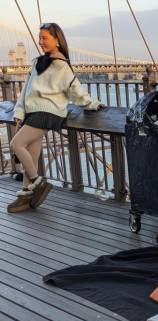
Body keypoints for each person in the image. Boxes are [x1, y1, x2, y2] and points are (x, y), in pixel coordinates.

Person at [8, 23, 104, 213]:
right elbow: (25, 91)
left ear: (57, 40)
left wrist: (93, 104)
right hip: (32, 113)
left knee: (16, 144)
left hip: (48, 113)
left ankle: (38, 183)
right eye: (40, 37)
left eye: (45, 38)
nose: (41, 41)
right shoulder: (37, 62)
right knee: (32, 156)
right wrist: (19, 113)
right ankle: (26, 195)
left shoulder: (63, 67)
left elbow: (77, 93)